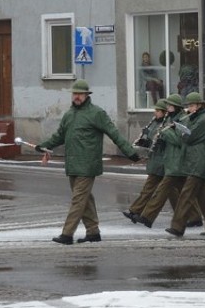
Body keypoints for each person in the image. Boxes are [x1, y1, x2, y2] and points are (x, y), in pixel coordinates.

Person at [37, 79, 140, 245]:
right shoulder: (69, 115)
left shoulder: (96, 113)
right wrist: (43, 146)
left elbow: (114, 133)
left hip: (88, 164)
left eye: (80, 94)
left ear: (87, 95)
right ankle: (93, 232)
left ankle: (67, 234)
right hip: (72, 164)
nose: (77, 97)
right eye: (75, 94)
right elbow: (59, 136)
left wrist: (130, 152)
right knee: (85, 199)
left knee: (78, 200)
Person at [165, 92, 205, 237]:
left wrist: (181, 126)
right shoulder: (195, 118)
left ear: (199, 105)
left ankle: (177, 226)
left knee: (186, 194)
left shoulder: (203, 119)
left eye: (191, 106)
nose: (189, 109)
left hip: (200, 160)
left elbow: (188, 137)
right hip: (196, 160)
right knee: (204, 197)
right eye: (188, 106)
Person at [133, 94, 194, 228]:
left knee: (163, 190)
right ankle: (194, 217)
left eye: (170, 106)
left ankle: (147, 217)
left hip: (177, 160)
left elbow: (179, 140)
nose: (168, 108)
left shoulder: (182, 119)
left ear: (176, 107)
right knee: (183, 192)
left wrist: (164, 132)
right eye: (167, 106)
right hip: (170, 159)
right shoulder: (169, 119)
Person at [123, 100, 174, 222]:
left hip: (162, 162)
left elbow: (167, 140)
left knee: (165, 191)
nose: (155, 113)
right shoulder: (154, 123)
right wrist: (144, 140)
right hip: (155, 160)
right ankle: (135, 211)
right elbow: (152, 138)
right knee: (168, 191)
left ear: (164, 112)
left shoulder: (166, 124)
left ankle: (136, 211)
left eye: (157, 111)